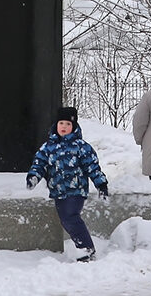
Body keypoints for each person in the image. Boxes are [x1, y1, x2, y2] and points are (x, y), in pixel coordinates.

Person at [27, 107, 110, 262]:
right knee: (66, 220)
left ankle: (86, 249)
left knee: (71, 217)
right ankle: (85, 248)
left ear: (74, 127)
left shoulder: (81, 147)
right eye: (61, 123)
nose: (64, 127)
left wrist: (101, 185)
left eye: (67, 124)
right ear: (56, 125)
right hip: (58, 191)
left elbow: (92, 167)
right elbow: (39, 164)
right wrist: (33, 177)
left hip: (76, 191)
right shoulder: (48, 147)